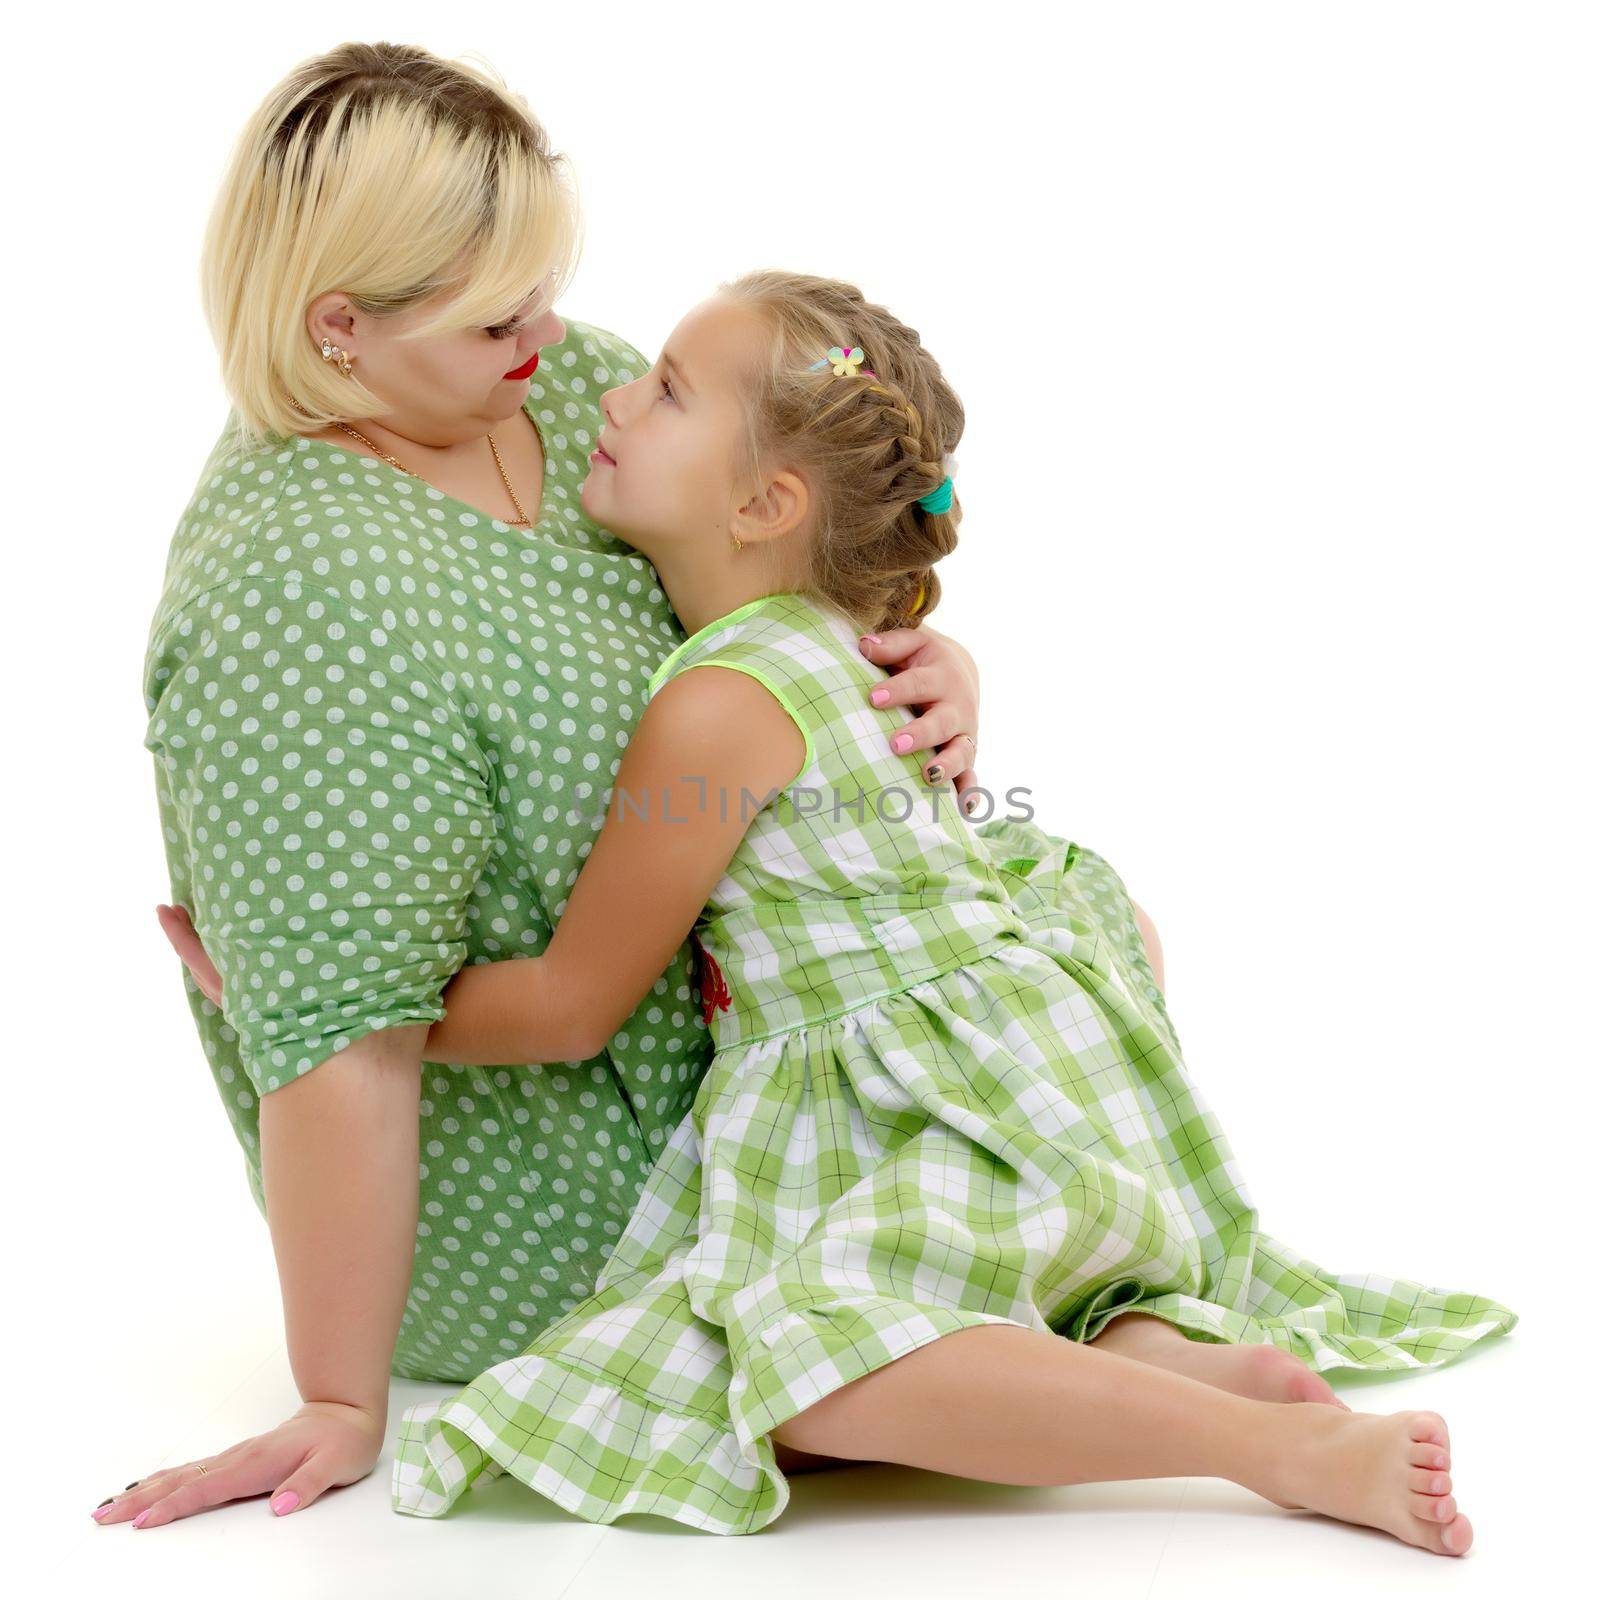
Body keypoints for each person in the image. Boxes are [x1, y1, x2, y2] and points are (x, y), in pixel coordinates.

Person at [379, 273, 1508, 1547]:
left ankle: (1267, 1446)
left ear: (763, 503)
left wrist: (320, 1004)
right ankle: (1161, 1360)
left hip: (940, 1073)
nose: (618, 393)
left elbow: (571, 1002)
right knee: (861, 1332)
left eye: (669, 389)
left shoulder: (716, 704)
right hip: (1050, 1045)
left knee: (793, 1354)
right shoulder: (840, 631)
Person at [103, 44, 989, 1536]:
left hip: (745, 1046)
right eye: (498, 314)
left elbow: (774, 588)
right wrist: (338, 1396)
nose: (558, 334)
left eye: (544, 287)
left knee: (1064, 1018)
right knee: (987, 1223)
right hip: (569, 1188)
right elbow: (343, 1052)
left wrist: (922, 662)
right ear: (340, 330)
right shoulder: (303, 584)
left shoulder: (568, 391)